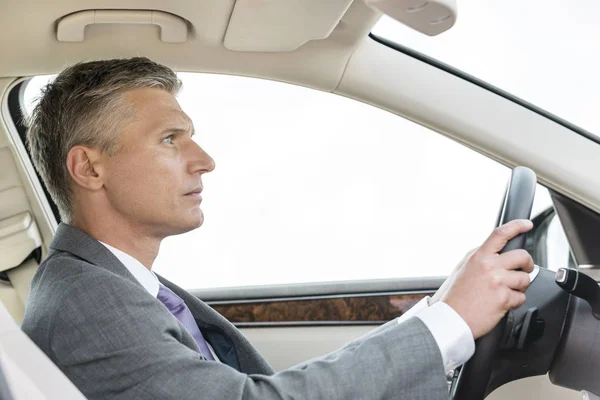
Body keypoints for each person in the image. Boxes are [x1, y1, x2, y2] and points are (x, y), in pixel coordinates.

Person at [21, 57, 534, 400]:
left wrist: (437, 312)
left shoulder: (116, 284)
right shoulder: (86, 301)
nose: (205, 161)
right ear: (89, 169)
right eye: (171, 139)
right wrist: (448, 325)